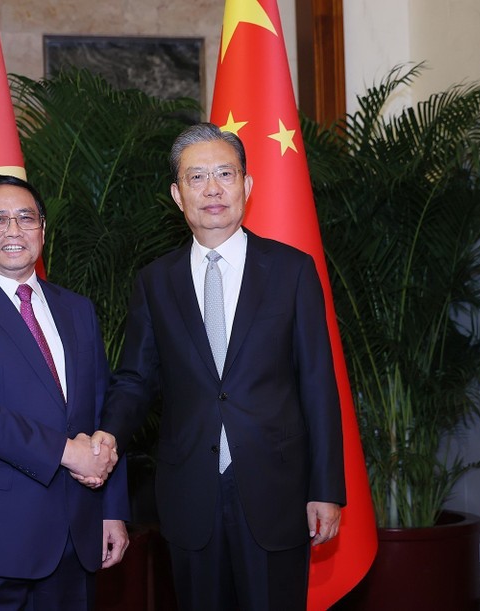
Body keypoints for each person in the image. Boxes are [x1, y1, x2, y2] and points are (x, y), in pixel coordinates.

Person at [92, 123, 346, 611]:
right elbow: (136, 378)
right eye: (197, 177)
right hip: (189, 491)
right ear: (177, 193)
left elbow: (318, 382)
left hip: (277, 490)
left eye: (225, 174)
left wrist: (326, 487)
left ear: (247, 186)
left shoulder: (292, 270)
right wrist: (108, 435)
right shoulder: (154, 281)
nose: (212, 189)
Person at [0, 174, 130, 611]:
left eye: (25, 218)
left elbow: (102, 411)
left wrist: (112, 508)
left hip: (75, 537)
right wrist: (67, 452)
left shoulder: (77, 310)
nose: (13, 230)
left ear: (43, 231)